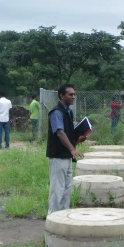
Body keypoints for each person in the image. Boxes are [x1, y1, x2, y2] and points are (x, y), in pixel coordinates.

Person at [46, 84, 84, 215]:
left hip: (66, 157)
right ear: (61, 96)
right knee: (57, 190)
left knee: (66, 189)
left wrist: (77, 138)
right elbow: (60, 133)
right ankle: (53, 219)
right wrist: (73, 149)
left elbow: (67, 133)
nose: (73, 97)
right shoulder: (56, 112)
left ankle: (63, 217)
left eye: (74, 94)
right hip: (58, 157)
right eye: (70, 94)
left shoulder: (68, 111)